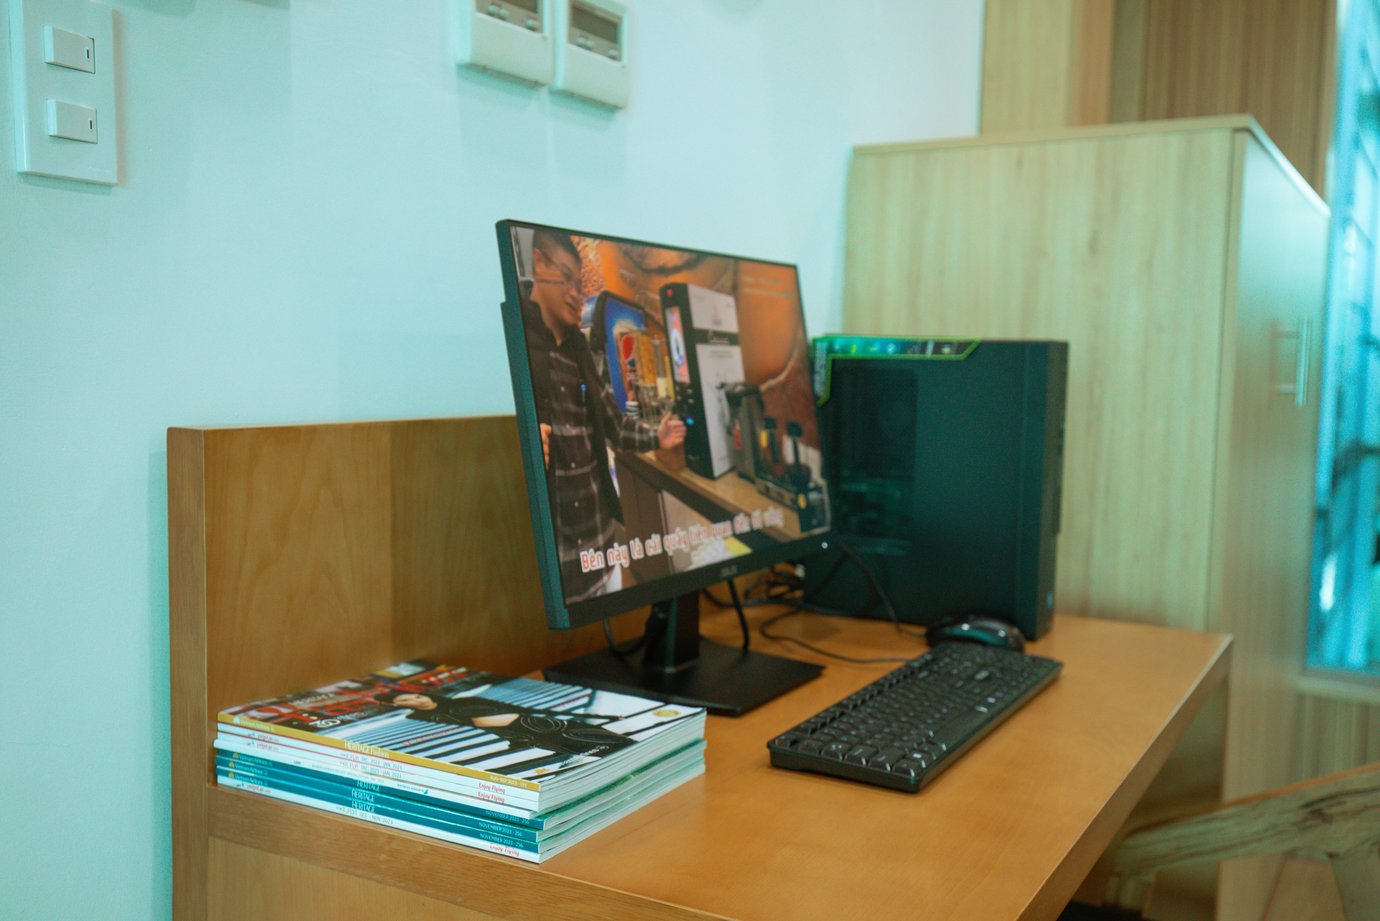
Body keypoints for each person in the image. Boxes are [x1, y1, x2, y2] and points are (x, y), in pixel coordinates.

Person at [521, 229, 686, 602]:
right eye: (565, 279)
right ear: (539, 265)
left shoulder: (579, 349)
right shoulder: (516, 345)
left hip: (602, 552)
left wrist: (656, 437)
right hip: (556, 571)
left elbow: (614, 425)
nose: (575, 294)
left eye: (579, 284)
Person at [378, 691, 634, 757]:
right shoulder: (418, 718)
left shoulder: (468, 699)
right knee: (581, 750)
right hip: (526, 736)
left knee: (615, 744)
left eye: (415, 694)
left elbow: (524, 709)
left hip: (540, 723)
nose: (416, 699)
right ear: (398, 706)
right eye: (406, 699)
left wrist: (605, 719)